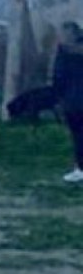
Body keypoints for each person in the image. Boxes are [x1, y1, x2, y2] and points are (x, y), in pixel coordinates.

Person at [53, 21, 83, 184]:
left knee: (78, 136)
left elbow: (59, 77)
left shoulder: (64, 52)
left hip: (74, 101)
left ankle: (80, 169)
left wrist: (57, 98)